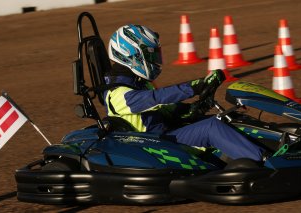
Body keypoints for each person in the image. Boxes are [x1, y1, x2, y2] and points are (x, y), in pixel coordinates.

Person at [104, 24, 265, 161]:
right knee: (211, 128)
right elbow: (156, 99)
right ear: (131, 56)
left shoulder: (138, 84)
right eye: (150, 55)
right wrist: (195, 87)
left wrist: (195, 109)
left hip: (165, 135)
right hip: (156, 145)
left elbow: (165, 109)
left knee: (225, 119)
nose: (155, 60)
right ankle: (264, 163)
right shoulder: (117, 94)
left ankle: (269, 145)